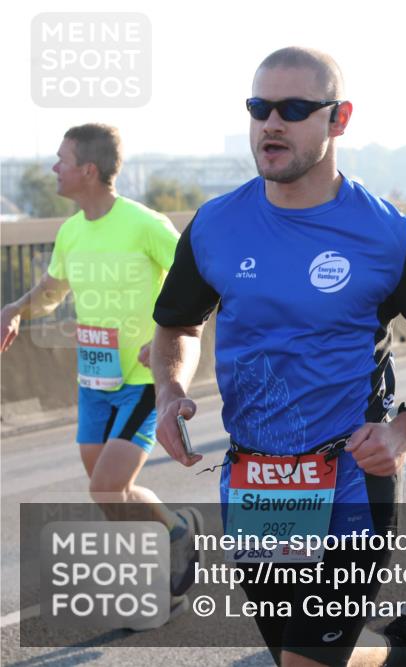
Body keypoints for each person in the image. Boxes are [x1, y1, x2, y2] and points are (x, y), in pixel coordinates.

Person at [150, 47, 406, 667]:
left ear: (339, 119)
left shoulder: (390, 235)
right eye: (260, 107)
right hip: (256, 482)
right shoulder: (215, 225)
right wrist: (169, 391)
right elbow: (175, 327)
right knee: (295, 657)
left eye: (295, 109)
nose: (271, 123)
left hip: (350, 478)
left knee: (306, 663)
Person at [0, 123, 200, 617]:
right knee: (115, 493)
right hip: (94, 382)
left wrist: (163, 340)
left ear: (87, 170)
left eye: (61, 160)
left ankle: (168, 558)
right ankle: (175, 535)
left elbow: (196, 283)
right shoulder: (71, 230)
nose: (54, 168)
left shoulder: (145, 224)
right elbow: (53, 289)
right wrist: (18, 308)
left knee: (106, 486)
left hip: (141, 381)